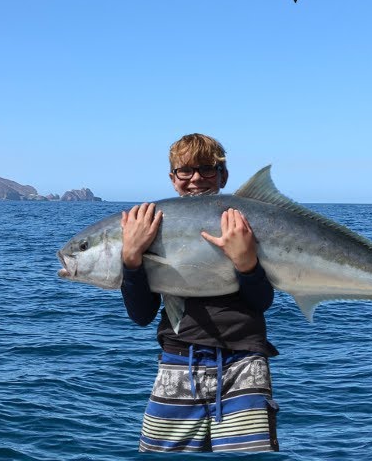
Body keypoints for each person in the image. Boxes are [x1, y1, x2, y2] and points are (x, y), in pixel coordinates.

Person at [119, 133, 278, 453]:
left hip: (244, 363)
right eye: (185, 171)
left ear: (223, 176)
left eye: (207, 170)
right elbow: (141, 315)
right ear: (172, 178)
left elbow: (262, 302)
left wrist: (247, 263)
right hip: (177, 363)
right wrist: (132, 260)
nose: (196, 179)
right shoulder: (149, 226)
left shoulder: (242, 223)